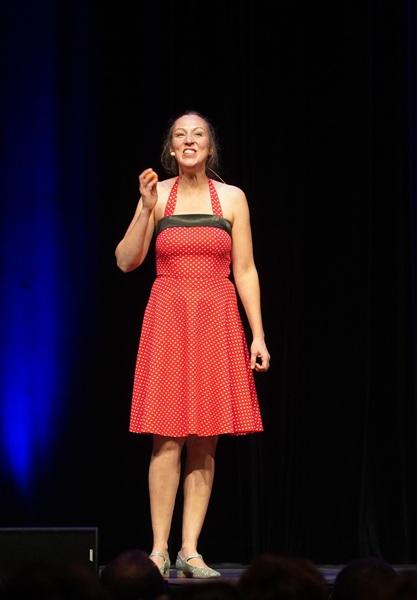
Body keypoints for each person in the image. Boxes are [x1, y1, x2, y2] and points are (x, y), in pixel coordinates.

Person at [115, 111, 270, 579]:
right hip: (168, 316)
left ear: (210, 146)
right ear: (170, 147)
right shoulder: (158, 194)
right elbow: (126, 261)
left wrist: (258, 333)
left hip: (216, 318)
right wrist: (144, 208)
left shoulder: (234, 198)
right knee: (167, 437)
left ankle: (190, 549)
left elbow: (245, 270)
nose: (189, 141)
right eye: (180, 135)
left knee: (206, 440)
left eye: (197, 134)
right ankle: (159, 549)